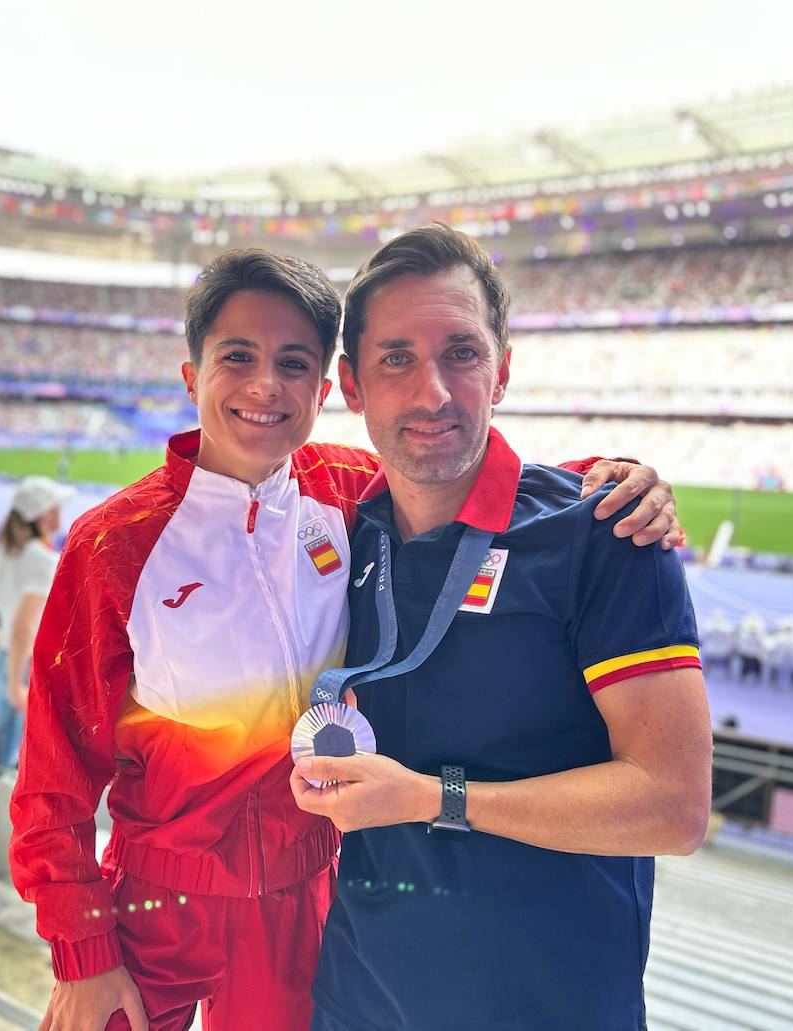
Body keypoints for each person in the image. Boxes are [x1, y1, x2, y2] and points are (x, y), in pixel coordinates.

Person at [9, 246, 683, 1031]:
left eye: (294, 364)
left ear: (325, 391)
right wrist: (82, 949)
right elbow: (52, 776)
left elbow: (455, 473)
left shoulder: (342, 489)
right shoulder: (112, 545)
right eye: (238, 357)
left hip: (307, 894)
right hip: (160, 896)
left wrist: (601, 478)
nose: (266, 386)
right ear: (191, 376)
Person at [288, 223, 712, 1031]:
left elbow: (675, 803)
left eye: (463, 353)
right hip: (356, 998)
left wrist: (432, 798)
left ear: (504, 368)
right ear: (351, 384)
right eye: (396, 359)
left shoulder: (606, 535)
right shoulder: (342, 534)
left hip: (546, 1005)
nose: (433, 392)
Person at [0, 477, 71, 765]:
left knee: (1, 750)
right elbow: (23, 628)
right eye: (56, 507)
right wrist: (14, 681)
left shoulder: (9, 552)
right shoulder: (43, 560)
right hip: (21, 666)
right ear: (45, 514)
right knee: (11, 759)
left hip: (5, 659)